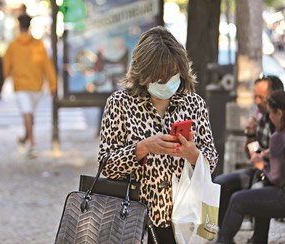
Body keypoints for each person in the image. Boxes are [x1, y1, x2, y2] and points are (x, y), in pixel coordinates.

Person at [97, 26, 218, 244]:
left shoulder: (194, 103)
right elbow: (106, 165)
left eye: (173, 74)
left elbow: (211, 161)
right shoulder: (119, 103)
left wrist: (193, 154)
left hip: (184, 219)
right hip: (134, 219)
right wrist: (142, 148)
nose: (167, 81)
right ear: (142, 73)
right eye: (159, 77)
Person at [214, 76, 284, 230]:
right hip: (259, 169)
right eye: (255, 97)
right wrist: (250, 135)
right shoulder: (261, 116)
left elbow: (277, 174)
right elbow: (252, 152)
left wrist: (261, 164)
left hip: (273, 177)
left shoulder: (279, 122)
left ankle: (258, 238)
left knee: (258, 191)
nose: (257, 102)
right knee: (222, 183)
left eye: (261, 97)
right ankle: (223, 233)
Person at [2, 14, 56, 157]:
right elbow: (47, 66)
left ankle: (25, 138)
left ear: (19, 26)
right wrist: (52, 84)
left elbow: (5, 68)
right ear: (30, 26)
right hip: (36, 86)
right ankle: (32, 144)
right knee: (28, 115)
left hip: (21, 86)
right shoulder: (38, 44)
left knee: (29, 116)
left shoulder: (13, 45)